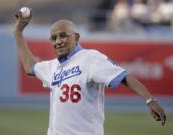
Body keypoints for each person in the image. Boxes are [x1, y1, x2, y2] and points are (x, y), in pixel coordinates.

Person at [14, 9, 166, 135]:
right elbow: (30, 67)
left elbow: (124, 77)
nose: (58, 41)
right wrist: (18, 32)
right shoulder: (53, 66)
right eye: (53, 38)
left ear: (76, 37)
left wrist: (150, 100)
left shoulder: (90, 58)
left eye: (63, 35)